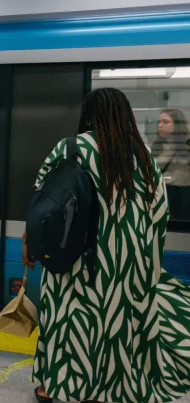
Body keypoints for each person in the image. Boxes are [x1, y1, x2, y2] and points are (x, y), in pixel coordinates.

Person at [26, 87, 190, 403]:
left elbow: (43, 203)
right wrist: (148, 260)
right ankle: (113, 387)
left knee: (69, 319)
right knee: (119, 322)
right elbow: (160, 213)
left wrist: (31, 243)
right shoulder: (143, 154)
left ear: (88, 115)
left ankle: (58, 386)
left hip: (77, 256)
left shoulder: (70, 148)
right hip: (128, 261)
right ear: (125, 115)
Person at [153, 108, 190, 220]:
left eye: (166, 122)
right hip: (161, 193)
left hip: (183, 194)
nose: (160, 125)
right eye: (159, 122)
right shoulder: (157, 147)